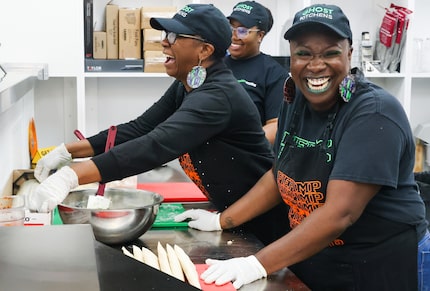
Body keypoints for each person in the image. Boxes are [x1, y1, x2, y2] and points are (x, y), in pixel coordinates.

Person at [175, 4, 430, 290]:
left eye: (330, 52)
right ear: (292, 57)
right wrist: (222, 220)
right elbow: (279, 175)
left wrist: (256, 263)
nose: (316, 64)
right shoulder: (295, 100)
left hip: (382, 263)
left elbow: (340, 213)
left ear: (349, 53)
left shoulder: (373, 113)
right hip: (320, 257)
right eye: (304, 53)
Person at [28, 4, 289, 246]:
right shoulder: (189, 83)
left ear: (205, 50)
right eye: (166, 33)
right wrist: (67, 152)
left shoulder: (218, 97)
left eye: (175, 36)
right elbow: (140, 128)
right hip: (232, 212)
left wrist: (72, 176)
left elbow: (156, 145)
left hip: (262, 224)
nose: (164, 41)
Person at [225, 1, 288, 144]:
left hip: (246, 158)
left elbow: (275, 126)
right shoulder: (214, 64)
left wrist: (240, 147)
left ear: (260, 36)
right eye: (231, 28)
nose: (234, 36)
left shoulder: (274, 74)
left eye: (242, 30)